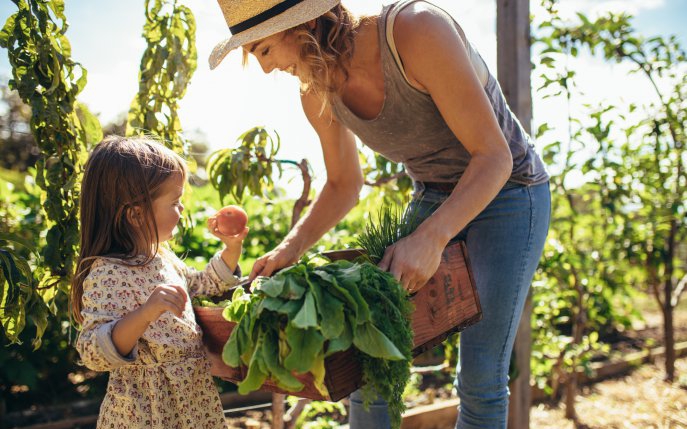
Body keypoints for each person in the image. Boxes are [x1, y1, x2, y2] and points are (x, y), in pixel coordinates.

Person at [209, 0, 551, 427]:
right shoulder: (316, 92)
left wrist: (431, 236)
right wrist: (289, 248)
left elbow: (494, 158)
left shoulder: (416, 31)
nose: (265, 69)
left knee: (480, 377)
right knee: (372, 361)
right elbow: (342, 184)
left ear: (305, 23)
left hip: (511, 194)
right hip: (433, 194)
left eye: (263, 50)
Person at [71, 136, 248, 429]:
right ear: (136, 214)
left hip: (192, 399)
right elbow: (93, 351)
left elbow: (205, 284)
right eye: (175, 202)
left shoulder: (163, 260)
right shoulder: (107, 274)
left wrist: (232, 249)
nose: (181, 210)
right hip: (147, 408)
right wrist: (146, 312)